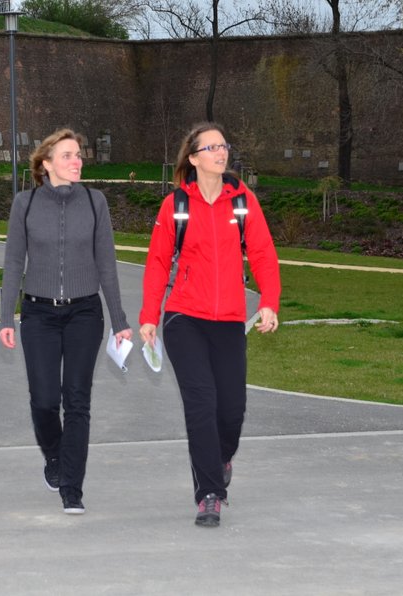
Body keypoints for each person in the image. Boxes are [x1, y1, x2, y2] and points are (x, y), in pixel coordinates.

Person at [138, 122, 281, 528]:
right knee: (201, 403)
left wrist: (268, 302)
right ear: (194, 157)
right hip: (184, 317)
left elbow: (263, 254)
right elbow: (157, 262)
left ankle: (222, 457)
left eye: (224, 146)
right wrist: (149, 316)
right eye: (212, 147)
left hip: (230, 320)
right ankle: (210, 494)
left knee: (232, 409)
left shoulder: (243, 202)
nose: (221, 153)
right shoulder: (176, 206)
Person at [0, 128, 132, 515]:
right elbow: (13, 262)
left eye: (79, 155)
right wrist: (6, 316)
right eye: (68, 155)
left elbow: (107, 264)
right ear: (46, 163)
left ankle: (72, 487)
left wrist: (119, 320)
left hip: (84, 313)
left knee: (77, 401)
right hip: (38, 313)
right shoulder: (25, 204)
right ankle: (55, 456)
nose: (77, 161)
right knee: (44, 400)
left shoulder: (94, 202)